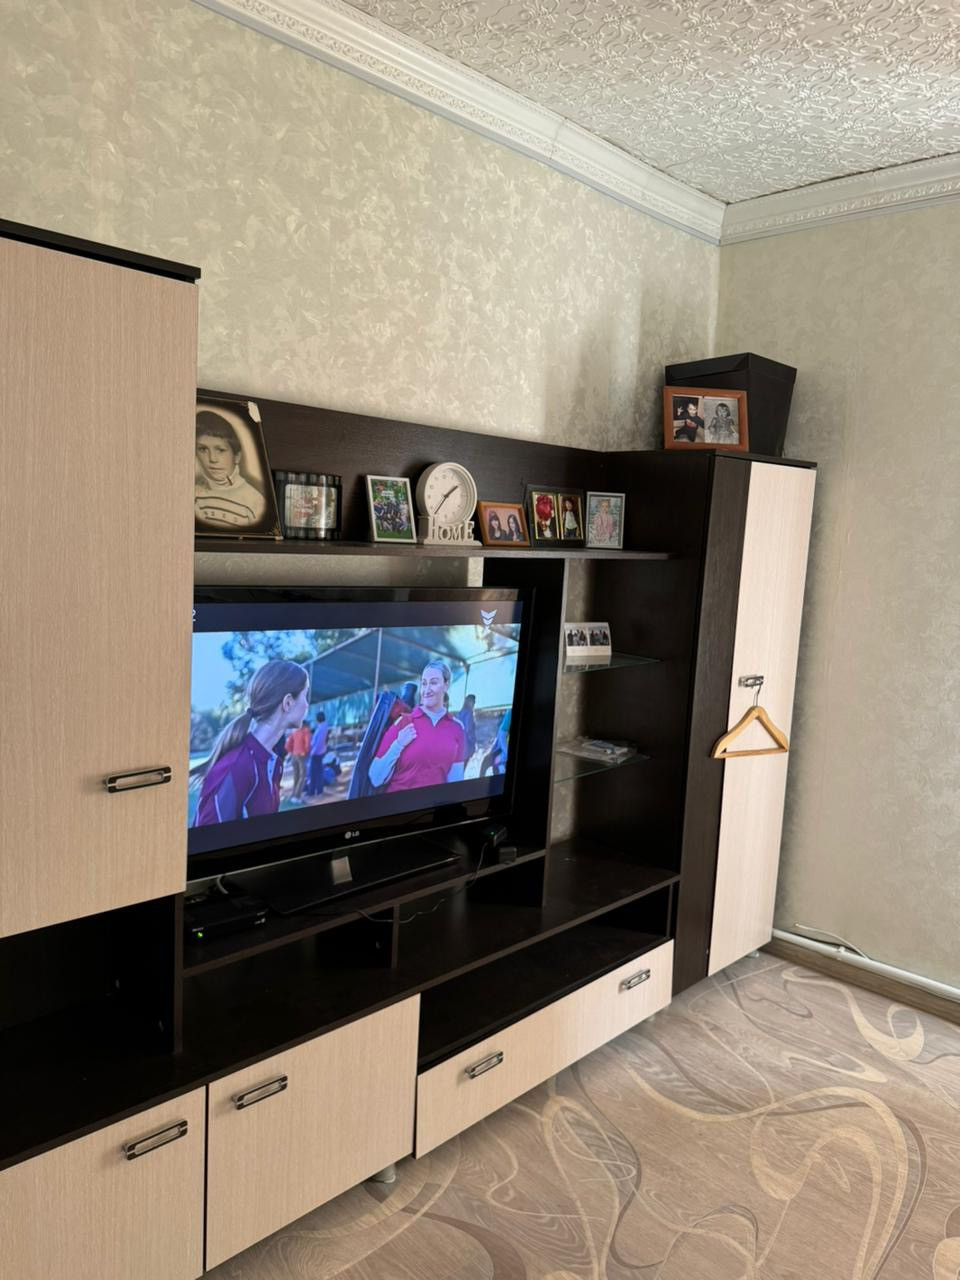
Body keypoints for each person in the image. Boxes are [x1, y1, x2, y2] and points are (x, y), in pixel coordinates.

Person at [193, 659, 309, 825]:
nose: (307, 705)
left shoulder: (272, 763)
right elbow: (208, 838)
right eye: (305, 695)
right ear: (288, 702)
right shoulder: (237, 766)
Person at [368, 661, 465, 792]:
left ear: (446, 685)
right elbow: (375, 778)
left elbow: (455, 781)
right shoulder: (403, 722)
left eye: (433, 682)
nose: (427, 689)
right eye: (424, 683)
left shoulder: (457, 728)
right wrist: (398, 745)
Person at [194, 411, 267, 529]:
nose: (212, 459)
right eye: (203, 449)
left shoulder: (255, 501)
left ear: (237, 456)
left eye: (220, 450)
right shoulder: (194, 494)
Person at [284, 718, 312, 799]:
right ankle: (297, 796)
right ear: (306, 725)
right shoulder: (306, 731)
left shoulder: (295, 732)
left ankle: (293, 794)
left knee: (296, 776)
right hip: (302, 755)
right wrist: (306, 752)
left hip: (294, 755)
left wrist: (292, 751)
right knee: (302, 776)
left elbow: (287, 745)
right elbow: (307, 744)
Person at [305, 712, 330, 797]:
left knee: (313, 773)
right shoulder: (323, 727)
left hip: (316, 753)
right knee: (318, 772)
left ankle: (312, 791)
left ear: (318, 719)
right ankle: (318, 791)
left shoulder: (321, 728)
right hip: (320, 752)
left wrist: (313, 752)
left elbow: (318, 742)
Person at [453, 693, 477, 765]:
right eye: (473, 701)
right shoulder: (469, 713)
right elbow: (469, 730)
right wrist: (474, 742)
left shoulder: (460, 713)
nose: (474, 703)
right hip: (466, 746)